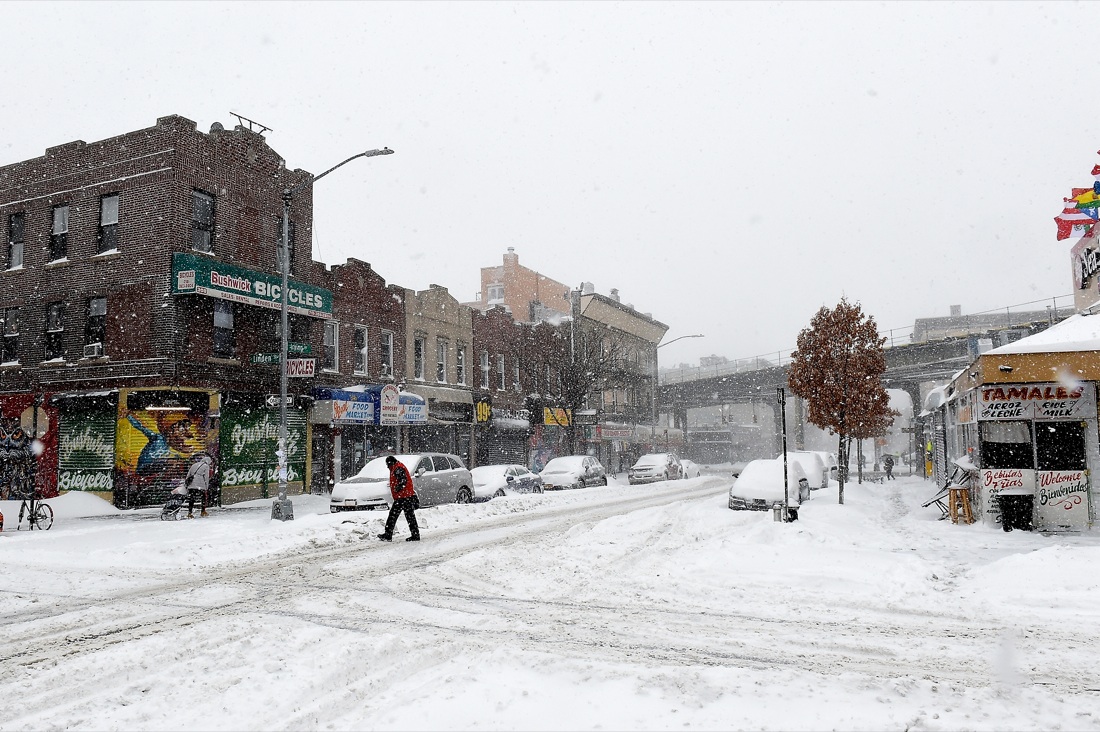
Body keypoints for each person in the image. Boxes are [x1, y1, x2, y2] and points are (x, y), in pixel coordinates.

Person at [378, 455, 420, 542]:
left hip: (403, 497)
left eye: (388, 465)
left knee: (393, 516)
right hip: (405, 496)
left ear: (391, 463)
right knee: (409, 516)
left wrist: (397, 488)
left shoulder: (398, 468)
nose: (387, 467)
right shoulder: (397, 467)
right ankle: (415, 534)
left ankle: (388, 535)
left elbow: (403, 480)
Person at [185, 452, 214, 518]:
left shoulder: (194, 465)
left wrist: (187, 483)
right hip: (200, 484)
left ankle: (189, 513)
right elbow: (206, 477)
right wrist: (206, 486)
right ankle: (203, 511)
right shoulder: (206, 466)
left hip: (191, 484)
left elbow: (188, 475)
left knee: (191, 498)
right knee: (203, 497)